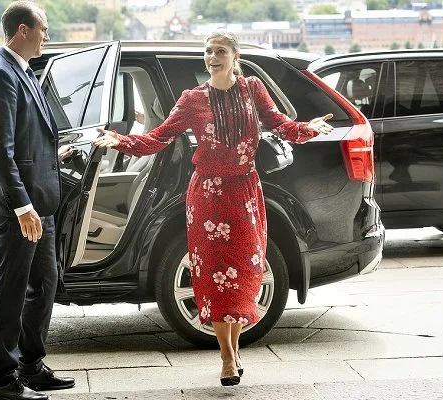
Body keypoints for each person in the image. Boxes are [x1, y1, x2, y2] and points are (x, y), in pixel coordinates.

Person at [94, 31, 334, 386]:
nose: (212, 57)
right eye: (208, 52)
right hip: (208, 196)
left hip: (245, 193)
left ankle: (234, 349)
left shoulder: (253, 89)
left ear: (235, 56)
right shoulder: (192, 99)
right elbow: (158, 137)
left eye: (220, 51)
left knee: (244, 273)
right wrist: (120, 139)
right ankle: (226, 357)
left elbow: (281, 125)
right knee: (214, 277)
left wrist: (307, 128)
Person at [0, 2, 74, 399]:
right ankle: (4, 378)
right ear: (22, 30)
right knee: (11, 291)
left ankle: (32, 365)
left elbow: (28, 139)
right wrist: (21, 206)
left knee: (44, 284)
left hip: (41, 203)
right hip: (21, 209)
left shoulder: (23, 69)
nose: (46, 36)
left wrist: (58, 154)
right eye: (43, 29)